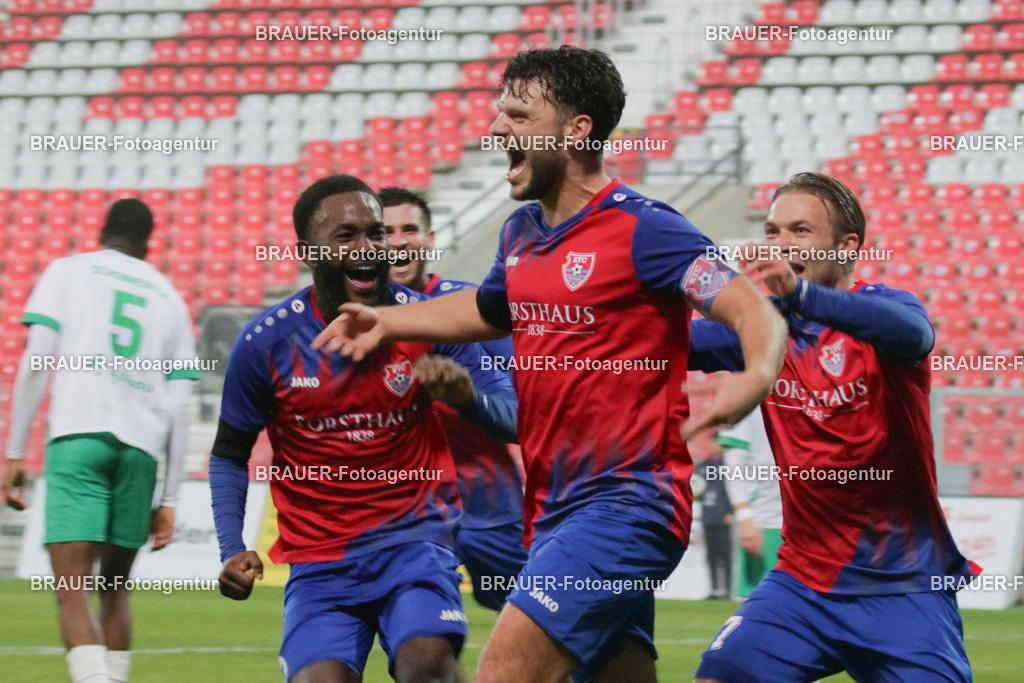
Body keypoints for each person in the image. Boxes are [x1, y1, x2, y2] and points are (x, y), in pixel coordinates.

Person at [312, 47, 788, 682]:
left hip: (626, 507)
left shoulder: (647, 230)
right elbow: (486, 310)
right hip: (555, 508)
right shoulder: (520, 235)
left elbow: (750, 307)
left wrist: (755, 378)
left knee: (503, 672)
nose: (497, 128)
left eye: (516, 113)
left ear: (576, 130)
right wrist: (387, 319)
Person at [209, 175, 518, 683]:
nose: (369, 248)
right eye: (346, 236)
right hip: (319, 563)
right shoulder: (265, 343)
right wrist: (230, 545)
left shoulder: (428, 320)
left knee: (427, 665)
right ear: (308, 252)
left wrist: (467, 398)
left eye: (376, 234)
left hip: (414, 543)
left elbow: (514, 420)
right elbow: (228, 453)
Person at [691, 173, 977, 682]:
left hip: (903, 587)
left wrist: (800, 294)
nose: (780, 244)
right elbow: (647, 343)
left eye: (800, 231)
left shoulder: (888, 311)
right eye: (773, 231)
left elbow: (913, 334)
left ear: (847, 248)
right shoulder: (763, 331)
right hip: (802, 584)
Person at [1, 199, 197, 683]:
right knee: (114, 591)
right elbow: (179, 406)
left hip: (79, 436)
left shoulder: (67, 272)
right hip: (141, 451)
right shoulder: (170, 296)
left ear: (103, 232)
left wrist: (14, 451)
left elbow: (37, 359)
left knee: (71, 588)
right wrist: (169, 498)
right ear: (149, 242)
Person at [380, 186, 528, 611]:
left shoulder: (476, 307)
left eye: (410, 229)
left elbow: (523, 409)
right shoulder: (355, 319)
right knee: (422, 641)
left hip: (490, 508)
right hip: (407, 513)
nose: (399, 240)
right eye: (386, 231)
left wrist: (466, 394)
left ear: (429, 240)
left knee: (544, 633)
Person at [719, 408, 781, 597]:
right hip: (767, 521)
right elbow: (734, 464)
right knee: (764, 606)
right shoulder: (748, 397)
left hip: (816, 521)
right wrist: (744, 517)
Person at [698, 439, 733, 600]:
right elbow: (694, 487)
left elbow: (734, 489)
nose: (714, 446)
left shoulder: (728, 466)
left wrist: (731, 511)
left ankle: (727, 590)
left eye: (717, 443)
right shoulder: (701, 466)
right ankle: (714, 589)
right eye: (712, 442)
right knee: (711, 555)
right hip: (707, 516)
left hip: (723, 517)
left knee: (725, 555)